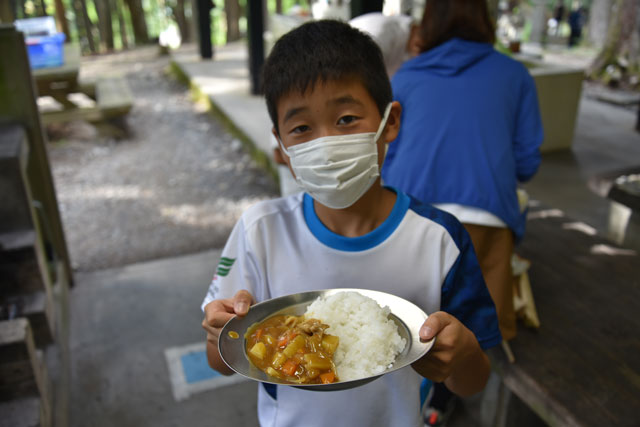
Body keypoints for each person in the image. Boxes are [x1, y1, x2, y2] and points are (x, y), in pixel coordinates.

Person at [202, 20, 501, 427]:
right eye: (302, 128)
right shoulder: (260, 232)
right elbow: (221, 362)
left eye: (346, 119)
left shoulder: (439, 240)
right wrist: (219, 332)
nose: (325, 144)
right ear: (281, 146)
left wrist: (463, 353)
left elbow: (474, 380)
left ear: (389, 122)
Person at [381, 0, 543, 424]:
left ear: (427, 24)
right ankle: (458, 398)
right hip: (487, 218)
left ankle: (423, 400)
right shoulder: (515, 74)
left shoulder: (409, 76)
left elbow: (387, 154)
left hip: (413, 219)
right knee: (476, 331)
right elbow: (527, 162)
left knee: (410, 325)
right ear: (487, 21)